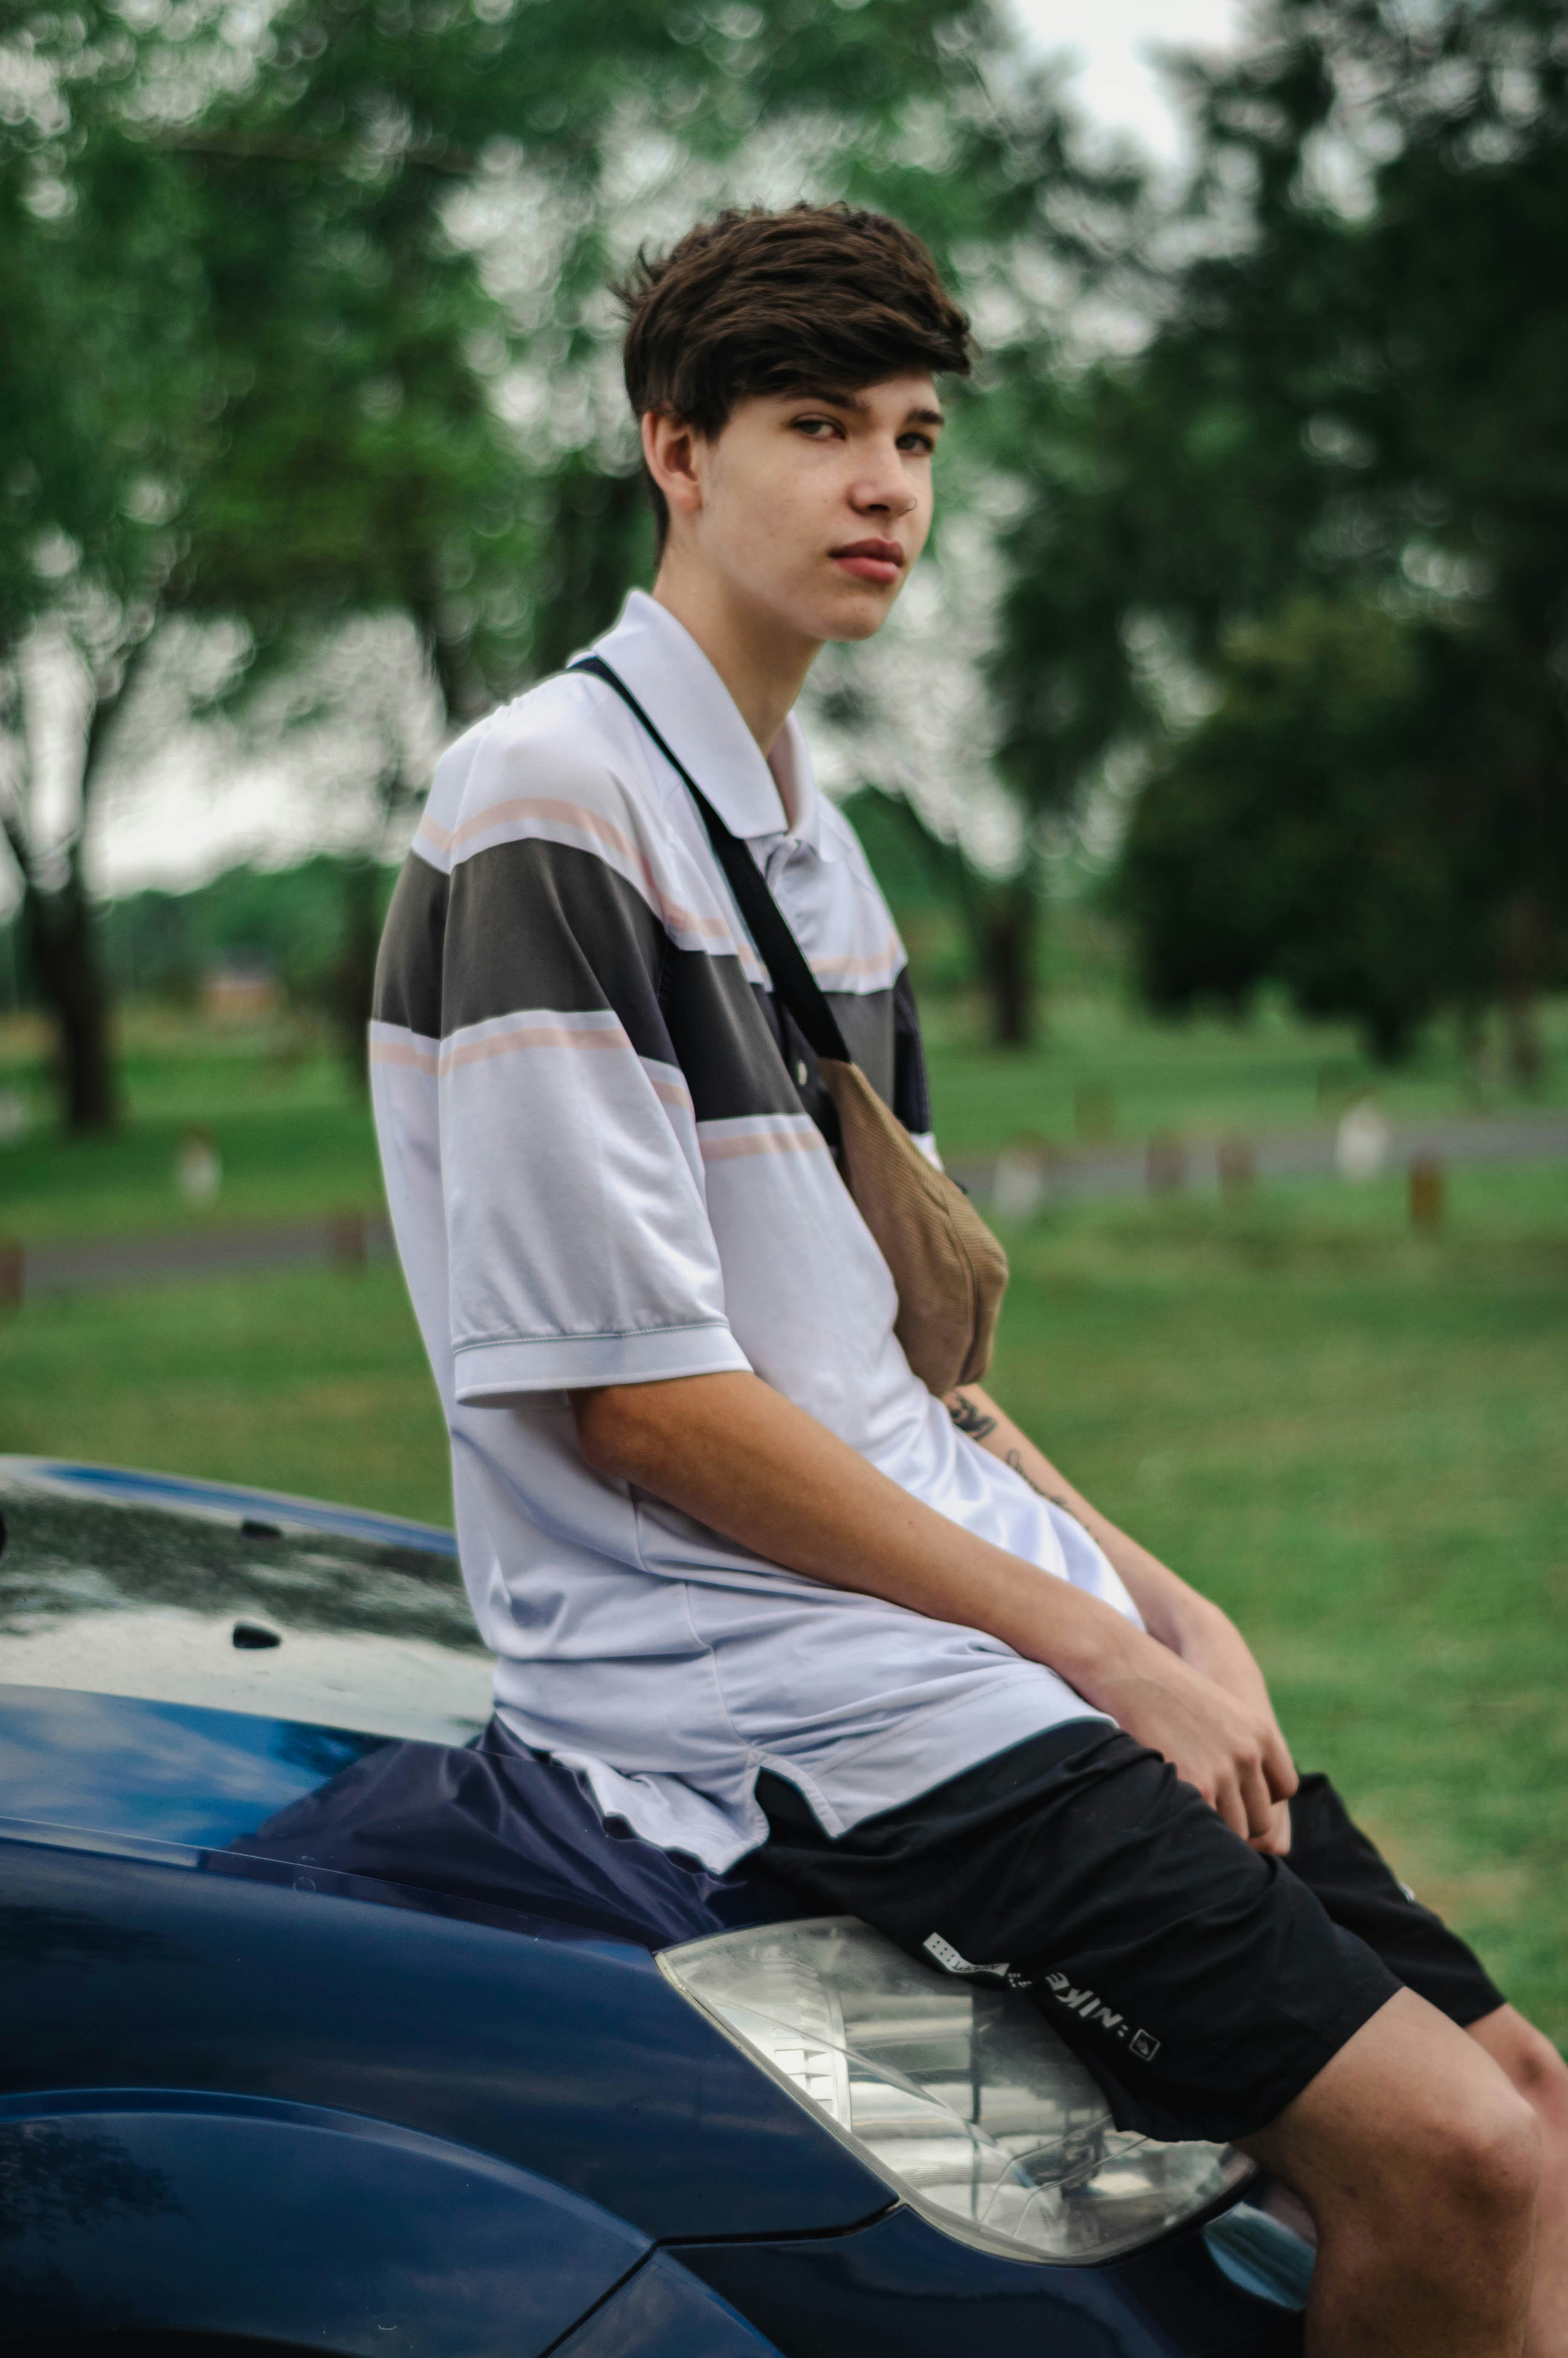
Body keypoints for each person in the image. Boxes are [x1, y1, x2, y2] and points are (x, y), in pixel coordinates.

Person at [371, 202, 1568, 2355]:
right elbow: (635, 1401)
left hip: (968, 1634)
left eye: (915, 438)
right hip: (771, 1686)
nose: (881, 488)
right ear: (675, 448)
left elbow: (898, 1370)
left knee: (1522, 2101)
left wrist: (1162, 1596)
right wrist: (1099, 1662)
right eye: (818, 426)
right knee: (1455, 2166)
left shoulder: (817, 858)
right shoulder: (545, 801)